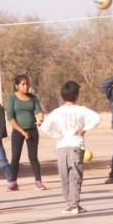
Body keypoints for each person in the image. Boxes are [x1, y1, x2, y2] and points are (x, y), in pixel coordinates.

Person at [40, 80, 101, 214]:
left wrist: (57, 135)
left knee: (64, 176)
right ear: (77, 95)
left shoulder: (57, 112)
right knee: (75, 175)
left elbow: (45, 127)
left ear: (62, 95)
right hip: (76, 145)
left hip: (62, 146)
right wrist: (84, 129)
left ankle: (70, 203)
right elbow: (97, 118)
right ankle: (74, 204)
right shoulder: (81, 110)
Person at [7, 74, 46, 191]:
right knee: (15, 157)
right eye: (23, 84)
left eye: (27, 84)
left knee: (33, 157)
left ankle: (38, 182)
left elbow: (39, 111)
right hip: (18, 131)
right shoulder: (12, 98)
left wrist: (40, 119)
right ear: (17, 86)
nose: (26, 86)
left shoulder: (33, 98)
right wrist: (22, 131)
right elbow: (10, 117)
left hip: (32, 130)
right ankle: (13, 182)